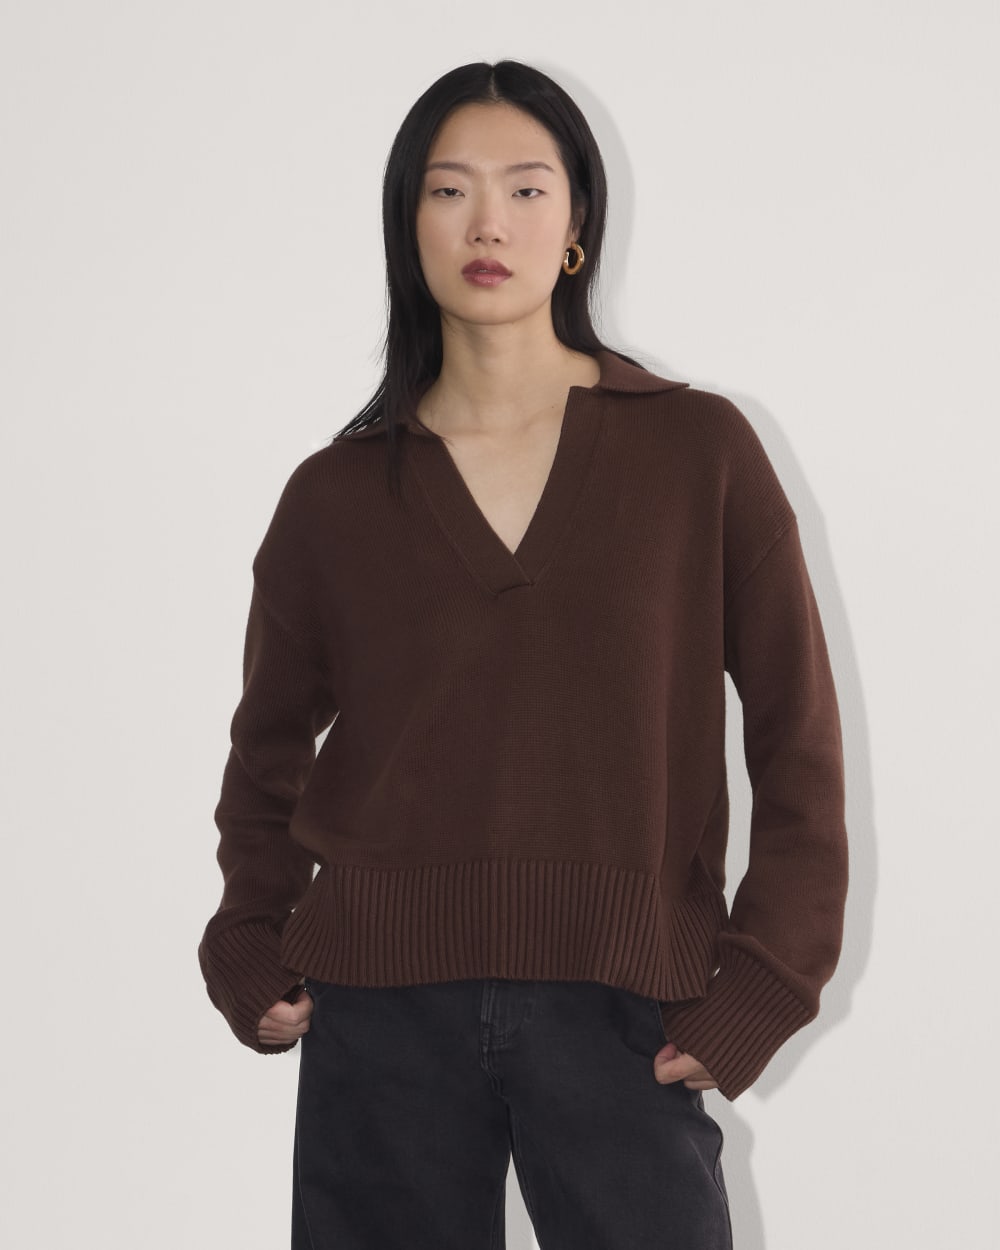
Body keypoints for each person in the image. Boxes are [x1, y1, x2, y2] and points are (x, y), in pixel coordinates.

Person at [198, 59, 848, 1250]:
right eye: (449, 190)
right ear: (408, 225)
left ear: (577, 223)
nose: (487, 223)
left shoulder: (699, 452)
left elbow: (796, 737)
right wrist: (247, 935)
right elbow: (266, 751)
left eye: (525, 188)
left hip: (627, 1012)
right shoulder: (335, 494)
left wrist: (767, 980)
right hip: (379, 1017)